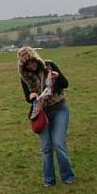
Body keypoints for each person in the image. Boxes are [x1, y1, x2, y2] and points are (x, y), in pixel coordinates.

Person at [17, 46, 75, 186]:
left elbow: (65, 84)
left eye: (32, 61)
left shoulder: (49, 66)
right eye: (27, 64)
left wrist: (57, 77)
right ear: (23, 66)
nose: (31, 65)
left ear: (36, 59)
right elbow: (28, 97)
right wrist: (31, 96)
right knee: (46, 147)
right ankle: (49, 180)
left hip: (59, 109)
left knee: (59, 143)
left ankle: (68, 177)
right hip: (42, 114)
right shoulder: (25, 78)